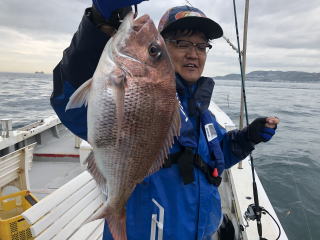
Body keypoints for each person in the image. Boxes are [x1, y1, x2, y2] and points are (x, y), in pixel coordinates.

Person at [50, 1, 280, 239]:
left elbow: (215, 157)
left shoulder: (203, 113)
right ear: (164, 47)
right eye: (182, 43)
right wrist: (99, 22)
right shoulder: (137, 93)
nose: (193, 53)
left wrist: (247, 138)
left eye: (201, 46)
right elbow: (68, 98)